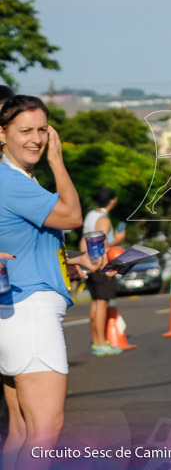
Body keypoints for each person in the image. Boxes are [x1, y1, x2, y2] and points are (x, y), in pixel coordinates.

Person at [0, 95, 96, 464]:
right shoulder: (12, 182)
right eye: (25, 130)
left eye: (42, 129)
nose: (36, 139)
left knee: (22, 430)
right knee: (45, 432)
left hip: (16, 313)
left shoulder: (19, 178)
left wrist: (74, 260)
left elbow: (24, 245)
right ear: (2, 134)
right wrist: (58, 161)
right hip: (32, 316)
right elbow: (72, 215)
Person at [80, 187, 127, 356]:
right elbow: (102, 245)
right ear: (112, 201)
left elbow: (83, 242)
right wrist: (119, 240)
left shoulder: (90, 216)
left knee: (95, 303)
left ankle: (96, 341)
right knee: (102, 304)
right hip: (101, 265)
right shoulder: (104, 219)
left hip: (88, 264)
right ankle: (101, 343)